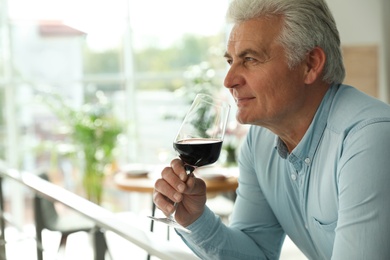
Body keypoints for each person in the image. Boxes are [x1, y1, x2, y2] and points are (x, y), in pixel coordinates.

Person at [153, 0, 390, 259]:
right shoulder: (260, 141)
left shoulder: (369, 139)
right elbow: (256, 254)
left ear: (310, 64)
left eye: (250, 59)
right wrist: (196, 220)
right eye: (231, 60)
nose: (229, 80)